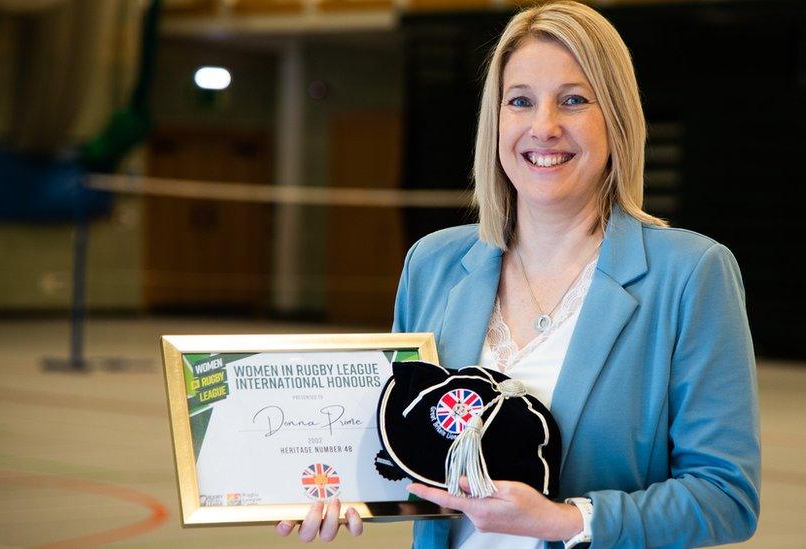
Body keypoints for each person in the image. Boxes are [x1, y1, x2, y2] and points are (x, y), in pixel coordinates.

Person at [278, 1, 759, 547]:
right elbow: (398, 451)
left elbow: (727, 497)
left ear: (618, 119)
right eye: (520, 101)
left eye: (574, 100)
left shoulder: (691, 274)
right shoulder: (432, 265)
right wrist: (327, 485)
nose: (544, 126)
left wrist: (568, 520)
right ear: (496, 119)